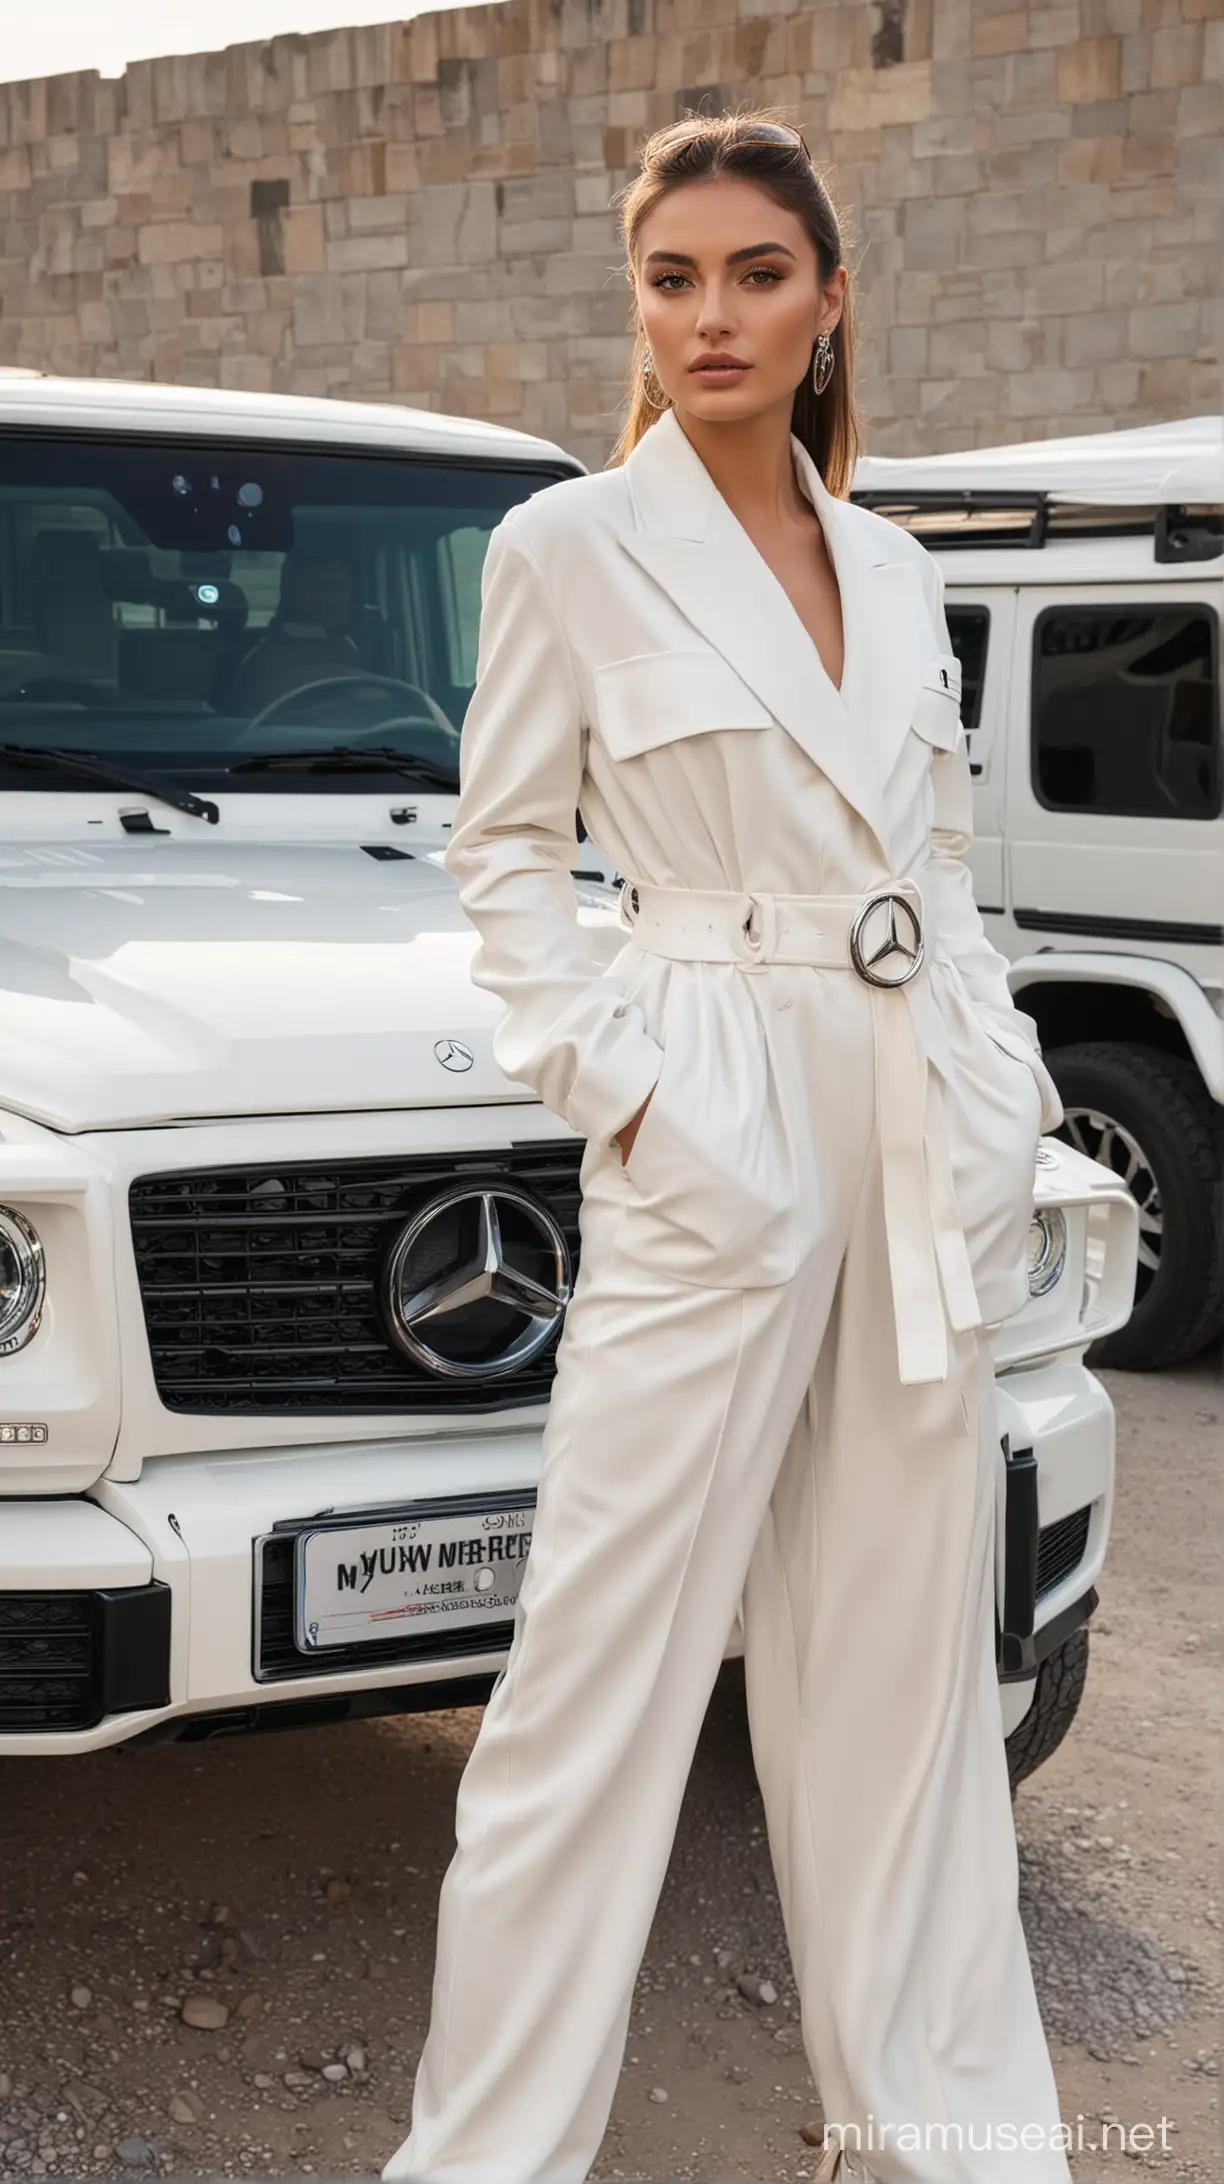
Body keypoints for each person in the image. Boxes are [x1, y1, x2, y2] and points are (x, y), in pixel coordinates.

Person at [382, 111, 1072, 2184]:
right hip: (707, 1107)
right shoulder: (568, 548)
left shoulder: (898, 564)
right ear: (638, 303)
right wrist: (650, 1112)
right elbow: (505, 872)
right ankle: (484, 2162)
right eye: (670, 278)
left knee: (909, 1696)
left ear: (831, 299)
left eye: (756, 272)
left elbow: (946, 877)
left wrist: (1002, 1100)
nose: (710, 315)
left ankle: (947, 2141)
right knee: (591, 1698)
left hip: (907, 1120)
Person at [225, 550, 359, 714]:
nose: (338, 599)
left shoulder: (349, 648)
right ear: (295, 594)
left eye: (343, 589)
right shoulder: (264, 658)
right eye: (326, 588)